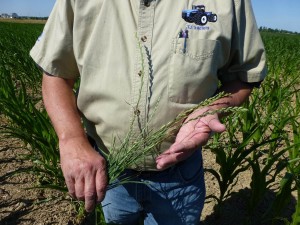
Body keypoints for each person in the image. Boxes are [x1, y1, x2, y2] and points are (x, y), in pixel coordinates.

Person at [30, 0, 267, 224]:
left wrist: (212, 109)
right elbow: (56, 73)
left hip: (180, 177)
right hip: (109, 173)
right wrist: (71, 140)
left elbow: (244, 77)